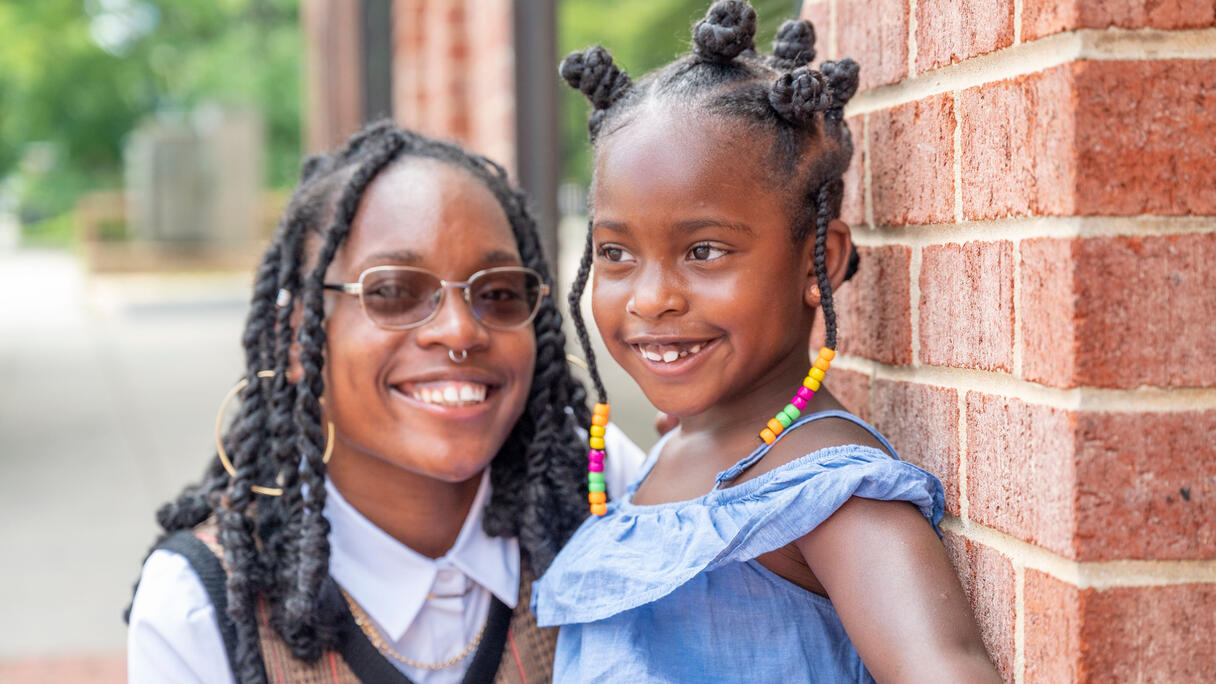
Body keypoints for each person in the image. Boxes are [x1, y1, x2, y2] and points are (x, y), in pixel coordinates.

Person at [533, 2, 1002, 682]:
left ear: (820, 261)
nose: (650, 297)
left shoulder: (831, 491)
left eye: (704, 249)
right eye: (614, 253)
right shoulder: (680, 447)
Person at [126, 122, 644, 684]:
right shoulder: (200, 606)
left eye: (496, 293)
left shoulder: (603, 493)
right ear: (299, 336)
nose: (458, 331)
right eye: (394, 291)